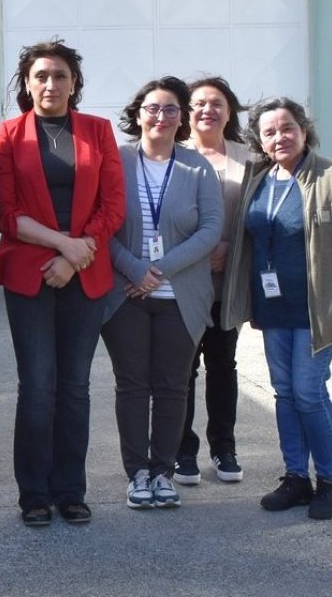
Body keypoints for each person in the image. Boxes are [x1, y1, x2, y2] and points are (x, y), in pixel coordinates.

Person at [221, 97, 332, 520]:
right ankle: (295, 478)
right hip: (273, 310)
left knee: (309, 392)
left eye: (287, 127)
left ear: (304, 130)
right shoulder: (258, 179)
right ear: (259, 141)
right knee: (285, 393)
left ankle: (329, 480)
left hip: (317, 309)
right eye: (269, 132)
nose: (280, 137)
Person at [0, 41, 124, 526]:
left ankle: (70, 491)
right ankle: (34, 495)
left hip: (85, 273)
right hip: (31, 273)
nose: (51, 84)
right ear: (27, 84)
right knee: (37, 387)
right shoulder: (9, 134)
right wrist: (63, 246)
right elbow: (6, 213)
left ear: (74, 82)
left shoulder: (98, 130)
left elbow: (113, 205)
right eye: (41, 76)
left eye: (60, 75)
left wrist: (77, 254)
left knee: (74, 387)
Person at [99, 76, 222, 511]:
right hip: (125, 295)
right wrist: (135, 269)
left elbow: (211, 228)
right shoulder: (115, 161)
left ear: (181, 117)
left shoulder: (196, 166)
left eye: (171, 109)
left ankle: (163, 473)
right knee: (132, 386)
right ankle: (137, 473)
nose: (161, 116)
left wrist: (159, 270)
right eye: (152, 108)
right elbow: (100, 225)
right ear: (138, 115)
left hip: (181, 297)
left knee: (173, 387)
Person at [175, 76, 252, 486]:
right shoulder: (174, 154)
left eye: (217, 102)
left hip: (229, 281)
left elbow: (257, 215)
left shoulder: (249, 157)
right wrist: (202, 250)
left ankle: (224, 448)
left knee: (223, 364)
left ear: (229, 110)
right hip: (186, 281)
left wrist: (229, 247)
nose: (208, 110)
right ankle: (181, 451)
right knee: (182, 368)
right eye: (199, 103)